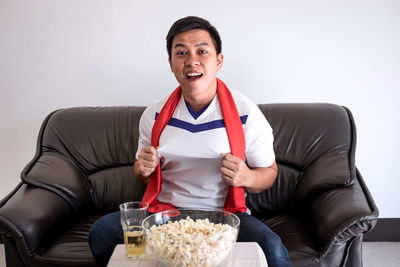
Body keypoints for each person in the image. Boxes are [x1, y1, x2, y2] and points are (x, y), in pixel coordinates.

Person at [88, 16, 292, 267]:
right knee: (102, 232)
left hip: (224, 217)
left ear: (218, 60)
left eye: (202, 51)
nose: (191, 61)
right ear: (171, 63)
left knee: (271, 247)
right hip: (164, 214)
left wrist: (247, 177)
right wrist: (141, 169)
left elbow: (269, 173)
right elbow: (142, 174)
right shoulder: (154, 114)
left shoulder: (246, 113)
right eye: (181, 52)